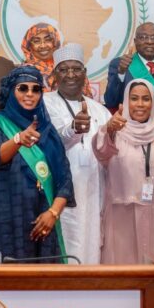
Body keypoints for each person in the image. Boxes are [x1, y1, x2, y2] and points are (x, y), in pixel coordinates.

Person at [0, 66, 73, 263]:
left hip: (43, 221)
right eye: (22, 88)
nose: (30, 94)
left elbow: (65, 180)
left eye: (35, 89)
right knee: (8, 277)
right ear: (10, 91)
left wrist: (53, 213)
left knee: (44, 279)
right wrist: (18, 139)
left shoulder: (47, 130)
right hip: (6, 219)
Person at [94, 79, 154, 264]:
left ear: (153, 103)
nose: (140, 104)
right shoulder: (115, 132)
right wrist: (108, 129)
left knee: (153, 268)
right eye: (134, 99)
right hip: (120, 214)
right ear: (126, 102)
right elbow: (100, 152)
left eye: (146, 99)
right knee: (121, 268)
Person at [43, 44, 111, 264]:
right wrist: (73, 128)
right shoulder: (44, 104)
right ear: (54, 75)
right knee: (64, 245)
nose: (70, 75)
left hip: (94, 189)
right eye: (63, 69)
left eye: (76, 69)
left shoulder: (100, 110)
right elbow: (49, 142)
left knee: (91, 245)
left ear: (85, 73)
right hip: (61, 192)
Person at [104, 21, 154, 128]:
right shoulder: (120, 64)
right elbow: (110, 102)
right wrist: (121, 73)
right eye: (143, 37)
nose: (149, 42)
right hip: (132, 132)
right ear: (135, 41)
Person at [20, 22, 64, 90]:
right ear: (29, 46)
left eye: (48, 40)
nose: (43, 46)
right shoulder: (22, 73)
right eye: (36, 41)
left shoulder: (67, 69)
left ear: (55, 43)